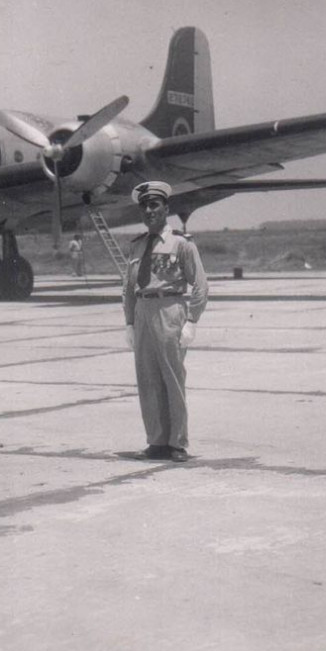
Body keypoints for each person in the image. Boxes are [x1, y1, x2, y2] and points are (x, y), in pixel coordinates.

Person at [121, 181, 208, 462]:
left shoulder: (181, 244)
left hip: (170, 309)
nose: (148, 210)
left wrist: (191, 320)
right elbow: (128, 288)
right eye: (144, 206)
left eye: (154, 205)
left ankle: (177, 443)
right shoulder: (136, 246)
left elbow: (200, 285)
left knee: (172, 377)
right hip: (143, 311)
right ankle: (156, 441)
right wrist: (130, 323)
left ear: (166, 208)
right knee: (147, 380)